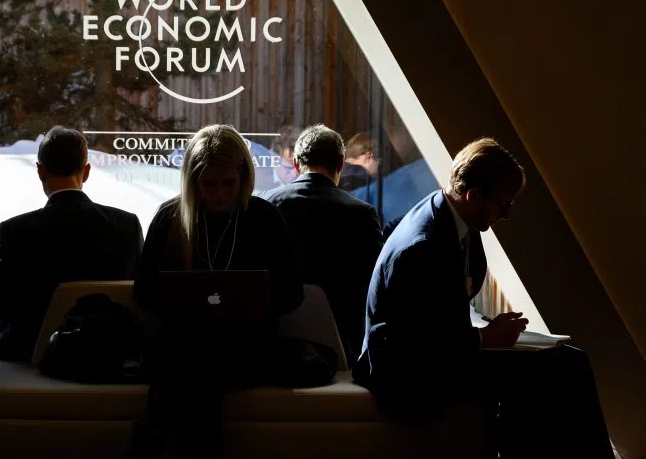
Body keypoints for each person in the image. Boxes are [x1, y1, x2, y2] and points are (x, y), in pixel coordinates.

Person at [354, 137, 613, 458]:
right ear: (473, 195)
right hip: (404, 375)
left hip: (417, 360)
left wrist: (484, 337)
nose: (505, 216)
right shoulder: (425, 246)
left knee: (566, 361)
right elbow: (417, 342)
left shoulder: (442, 215)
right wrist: (484, 338)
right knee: (564, 368)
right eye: (503, 205)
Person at [127, 124, 304, 459]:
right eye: (208, 185)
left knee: (192, 366)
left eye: (228, 184)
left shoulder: (265, 219)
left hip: (246, 345)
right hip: (186, 345)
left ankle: (147, 441)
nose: (220, 194)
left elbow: (292, 294)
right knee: (196, 360)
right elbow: (145, 291)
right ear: (193, 183)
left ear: (244, 179)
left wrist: (251, 310)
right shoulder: (170, 218)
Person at [0, 126, 144, 362]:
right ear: (87, 171)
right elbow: (138, 294)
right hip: (105, 351)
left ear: (40, 171)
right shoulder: (126, 226)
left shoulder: (14, 232)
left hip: (32, 353)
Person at [261, 125, 383, 366]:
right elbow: (375, 284)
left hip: (281, 342)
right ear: (340, 164)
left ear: (296, 164)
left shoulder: (268, 206)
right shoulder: (362, 213)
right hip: (345, 345)